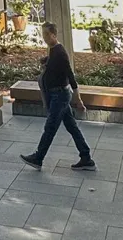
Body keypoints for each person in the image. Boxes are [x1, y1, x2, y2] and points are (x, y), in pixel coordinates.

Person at [19, 23, 96, 172]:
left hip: (60, 95)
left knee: (50, 127)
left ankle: (38, 158)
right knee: (71, 127)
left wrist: (78, 99)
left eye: (47, 35)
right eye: (43, 34)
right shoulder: (53, 51)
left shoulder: (60, 52)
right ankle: (86, 158)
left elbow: (70, 76)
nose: (45, 37)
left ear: (54, 35)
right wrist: (46, 62)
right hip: (57, 94)